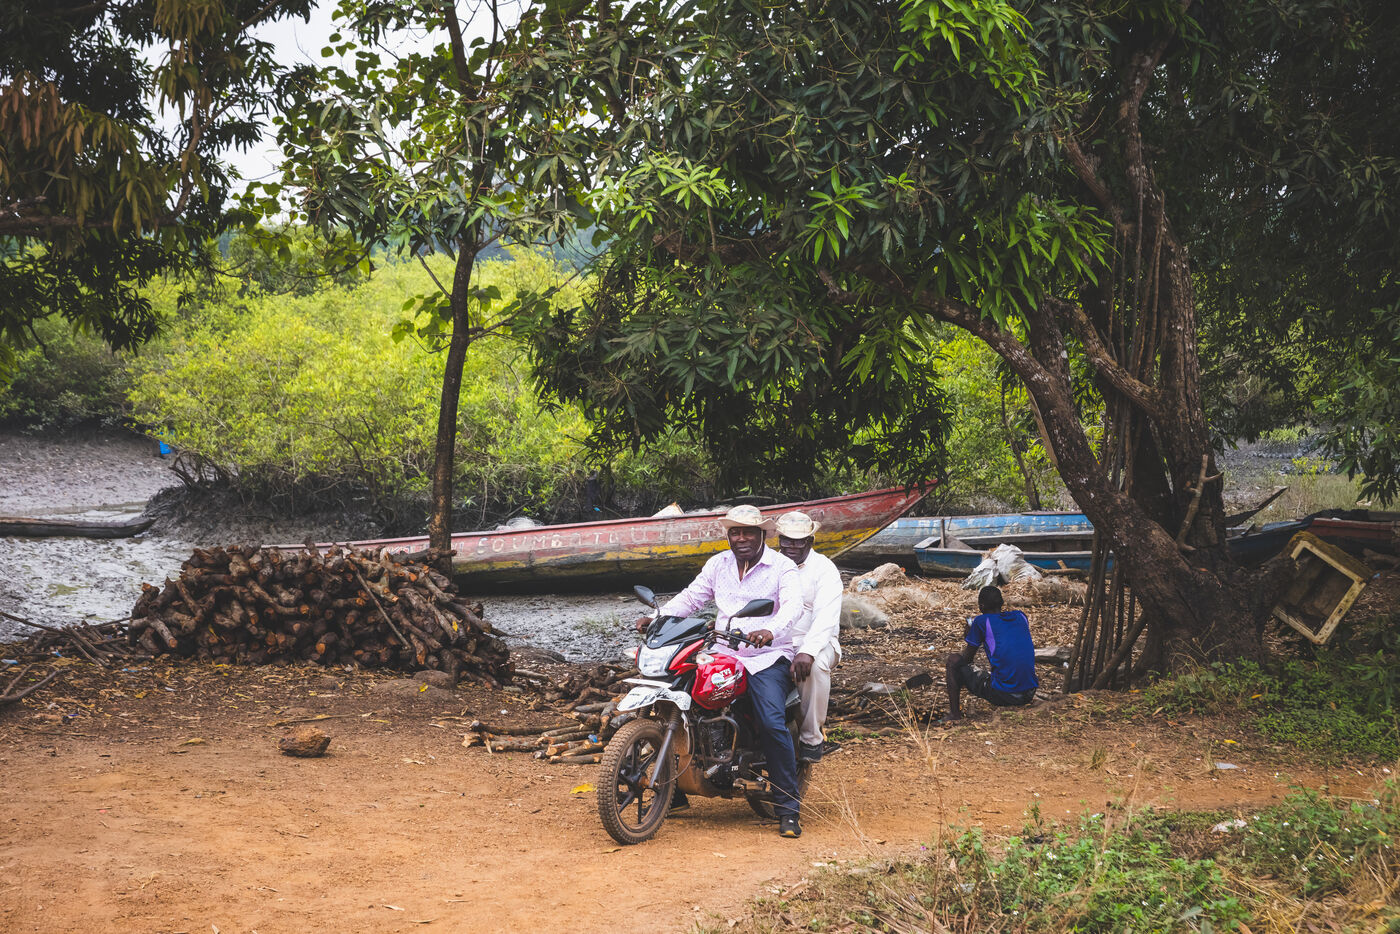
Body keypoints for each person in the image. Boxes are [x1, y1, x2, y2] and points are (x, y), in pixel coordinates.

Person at [634, 504, 806, 838]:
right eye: (735, 532)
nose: (741, 538)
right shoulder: (718, 564)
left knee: (771, 722)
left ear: (762, 534)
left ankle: (788, 808)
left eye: (748, 532)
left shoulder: (782, 566)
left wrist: (770, 631)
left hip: (766, 655)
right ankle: (675, 792)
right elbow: (691, 599)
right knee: (679, 699)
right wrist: (657, 619)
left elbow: (793, 607)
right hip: (722, 650)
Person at [774, 511, 843, 764]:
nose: (791, 546)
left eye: (798, 541)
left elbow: (825, 618)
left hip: (817, 641)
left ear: (810, 541)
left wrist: (808, 650)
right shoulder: (771, 565)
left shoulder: (824, 569)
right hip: (776, 641)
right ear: (779, 540)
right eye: (786, 540)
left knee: (813, 668)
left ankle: (811, 738)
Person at [941, 585, 1038, 723]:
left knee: (953, 661)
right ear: (1002, 603)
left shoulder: (982, 621)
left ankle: (954, 714)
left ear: (981, 606)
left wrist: (969, 636)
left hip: (1005, 694)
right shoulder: (1020, 616)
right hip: (1029, 692)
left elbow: (967, 659)